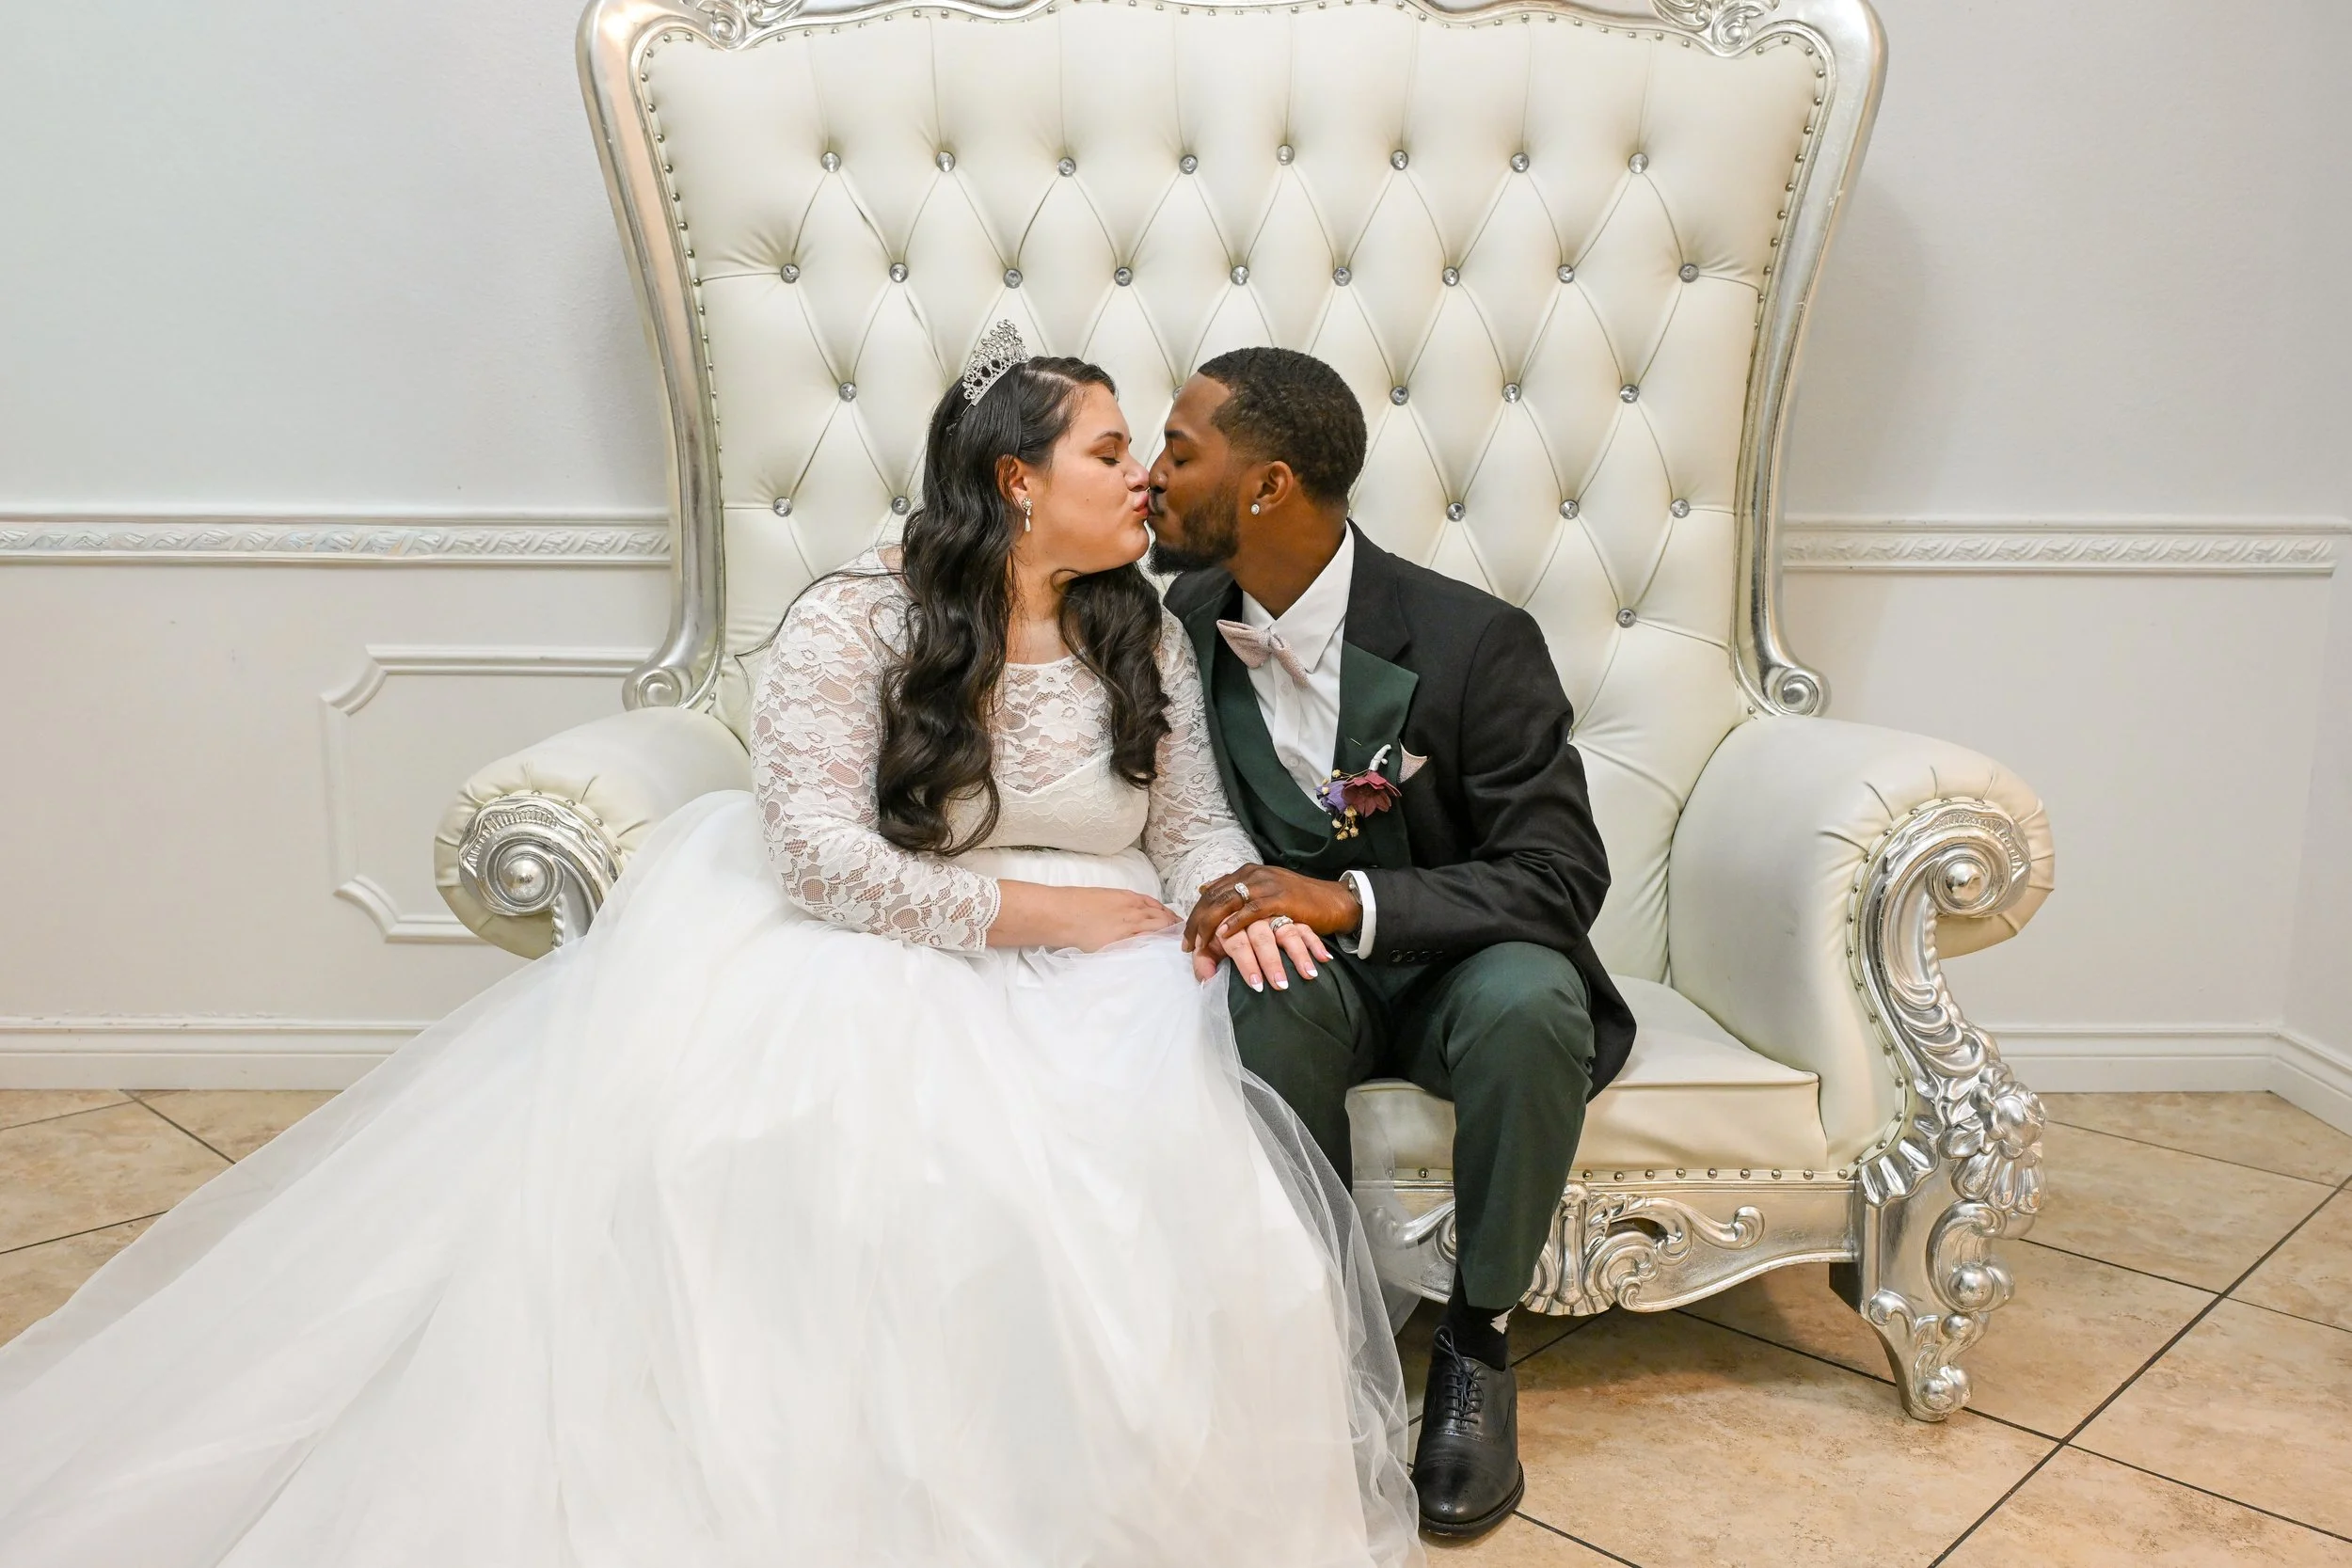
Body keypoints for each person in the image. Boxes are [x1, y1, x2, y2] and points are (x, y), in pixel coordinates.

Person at [0, 326, 1423, 1568]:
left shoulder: (1142, 625)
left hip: (1115, 958)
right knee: (894, 1170)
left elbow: (1188, 824)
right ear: (1015, 480)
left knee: (1170, 1184)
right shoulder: (855, 618)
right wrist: (1030, 910)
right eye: (1112, 451)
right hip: (886, 935)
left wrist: (1235, 904)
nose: (1145, 480)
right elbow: (816, 854)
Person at [1148, 347, 1637, 1541]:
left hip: (1463, 963)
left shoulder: (1475, 642)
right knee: (1260, 990)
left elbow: (1561, 873)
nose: (1151, 479)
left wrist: (1349, 898)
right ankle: (1318, 1343)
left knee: (1534, 1000)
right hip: (1313, 979)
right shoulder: (1180, 622)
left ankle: (1475, 1348)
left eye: (1177, 451)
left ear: (1265, 487)